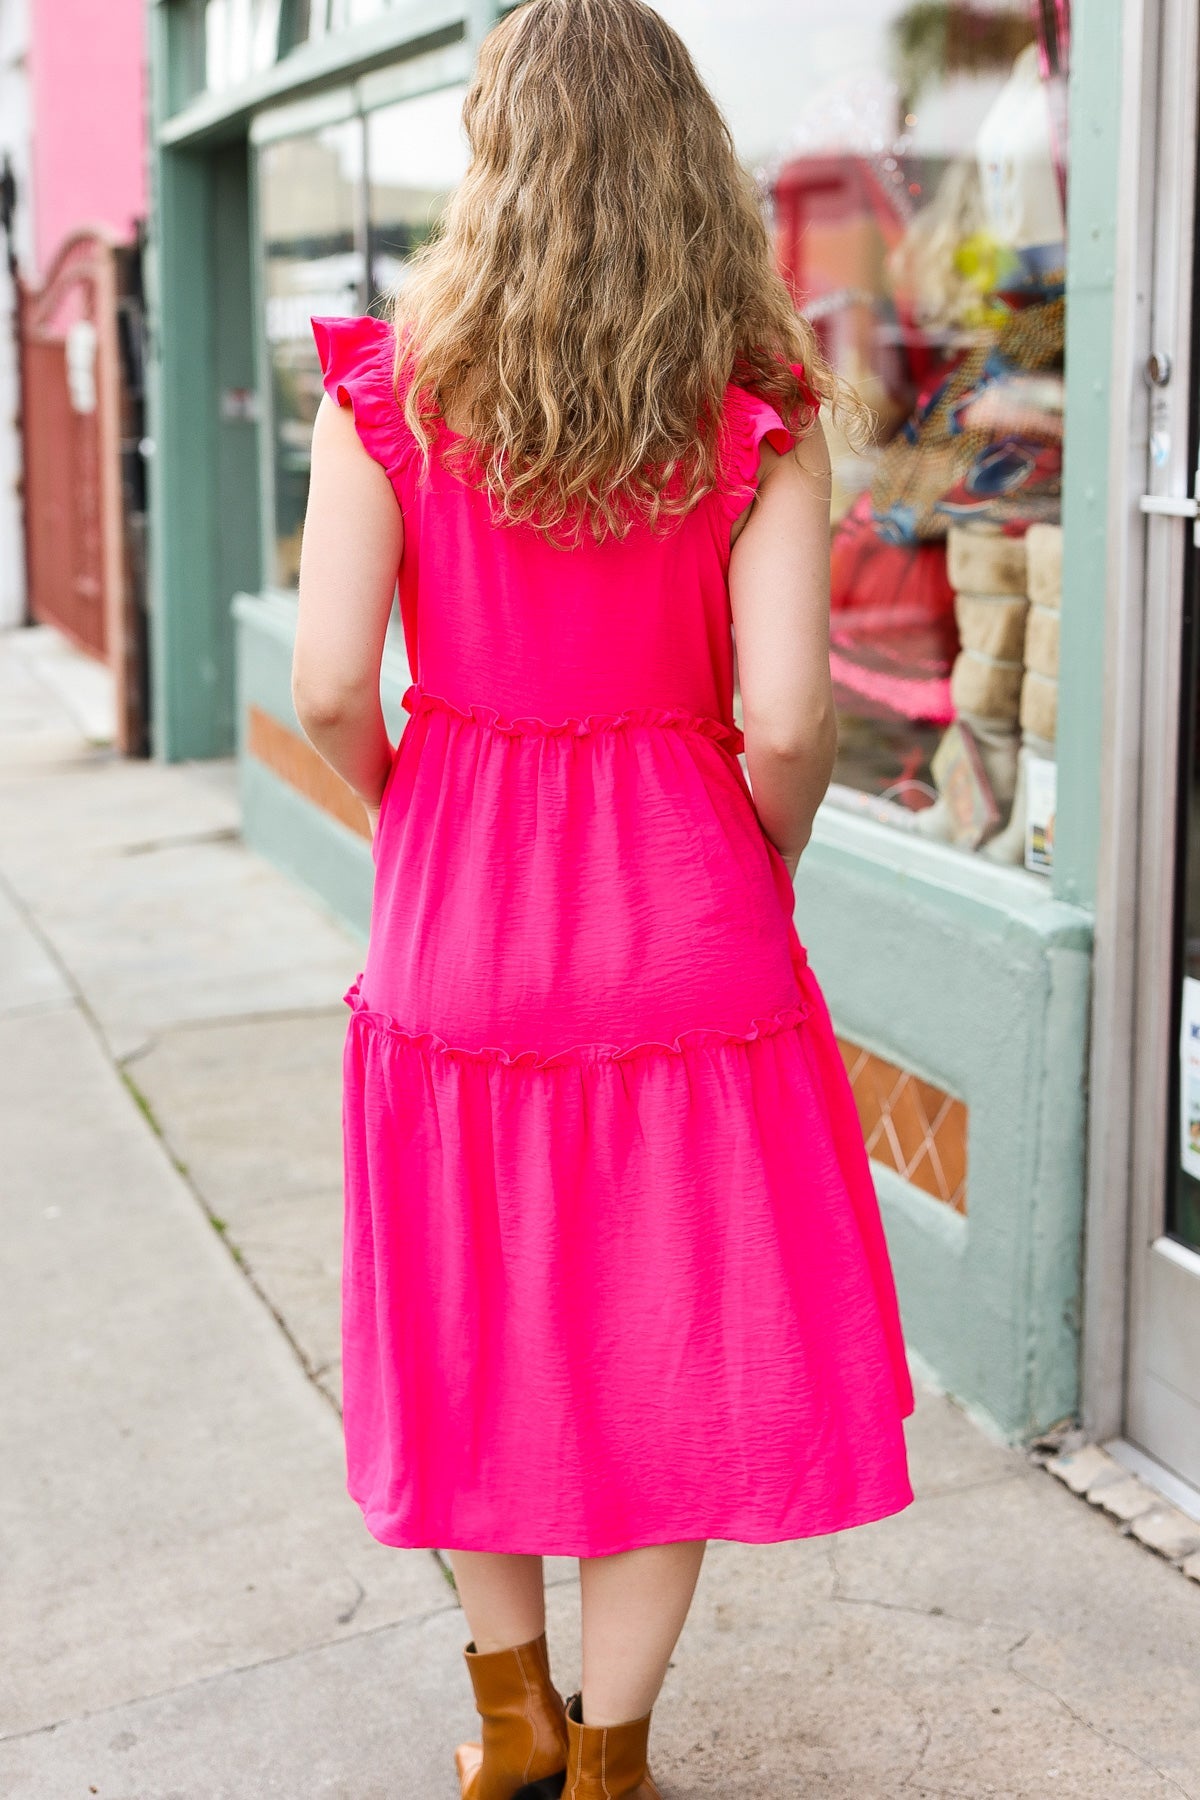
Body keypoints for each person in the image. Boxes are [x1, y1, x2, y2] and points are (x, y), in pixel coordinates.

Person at [292, 2, 915, 1793]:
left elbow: (335, 682)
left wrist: (424, 818)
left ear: (493, 163)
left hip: (457, 914)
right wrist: (760, 852)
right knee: (677, 1331)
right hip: (688, 912)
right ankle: (617, 1757)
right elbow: (791, 717)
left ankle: (511, 1727)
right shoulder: (755, 419)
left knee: (467, 1320)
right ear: (685, 171)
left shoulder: (384, 398)